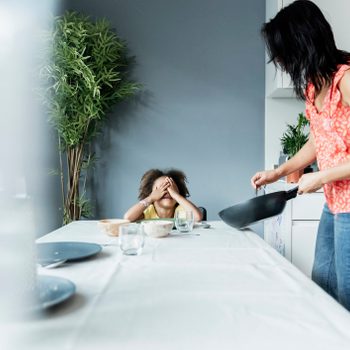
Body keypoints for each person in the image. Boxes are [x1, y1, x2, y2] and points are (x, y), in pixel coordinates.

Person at [251, 0, 350, 310]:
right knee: (322, 287)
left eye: (281, 50)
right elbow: (318, 141)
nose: (278, 59)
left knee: (346, 296)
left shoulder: (345, 79)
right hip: (334, 204)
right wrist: (278, 173)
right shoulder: (313, 86)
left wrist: (321, 176)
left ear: (302, 42)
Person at [124, 168, 203, 222]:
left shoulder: (180, 210)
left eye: (171, 188)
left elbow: (197, 217)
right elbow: (128, 218)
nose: (167, 192)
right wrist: (151, 198)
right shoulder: (148, 212)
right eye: (161, 189)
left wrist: (176, 195)